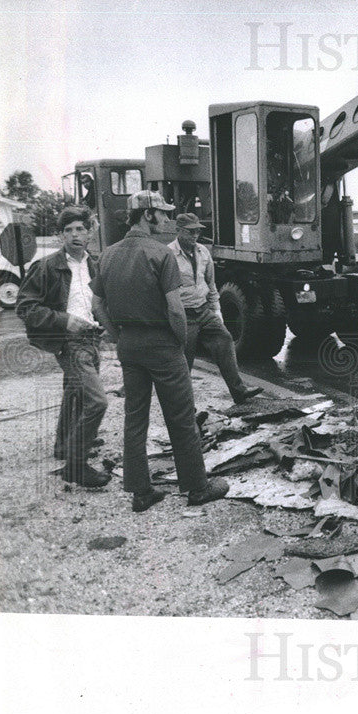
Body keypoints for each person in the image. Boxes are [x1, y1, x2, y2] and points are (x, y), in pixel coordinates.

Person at [90, 190, 228, 513]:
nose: (166, 219)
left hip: (129, 344)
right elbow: (175, 309)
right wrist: (179, 341)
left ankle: (141, 492)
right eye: (162, 213)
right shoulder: (160, 254)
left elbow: (97, 303)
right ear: (147, 215)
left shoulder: (107, 255)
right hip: (162, 343)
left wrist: (117, 334)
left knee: (135, 417)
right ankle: (197, 487)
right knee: (181, 416)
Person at [16, 206, 110, 488]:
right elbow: (25, 307)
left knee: (74, 394)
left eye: (80, 229)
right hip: (68, 342)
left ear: (90, 233)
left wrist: (104, 321)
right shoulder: (46, 266)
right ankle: (76, 465)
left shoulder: (95, 264)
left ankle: (62, 445)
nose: (74, 235)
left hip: (93, 339)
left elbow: (100, 301)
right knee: (97, 402)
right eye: (68, 230)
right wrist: (63, 320)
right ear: (60, 236)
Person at [167, 213, 262, 404]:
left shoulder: (203, 252)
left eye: (198, 232)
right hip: (184, 314)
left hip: (203, 310)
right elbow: (166, 290)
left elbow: (211, 284)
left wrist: (216, 310)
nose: (195, 236)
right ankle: (183, 405)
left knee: (225, 339)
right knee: (185, 359)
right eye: (190, 231)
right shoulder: (168, 255)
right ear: (178, 231)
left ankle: (239, 391)